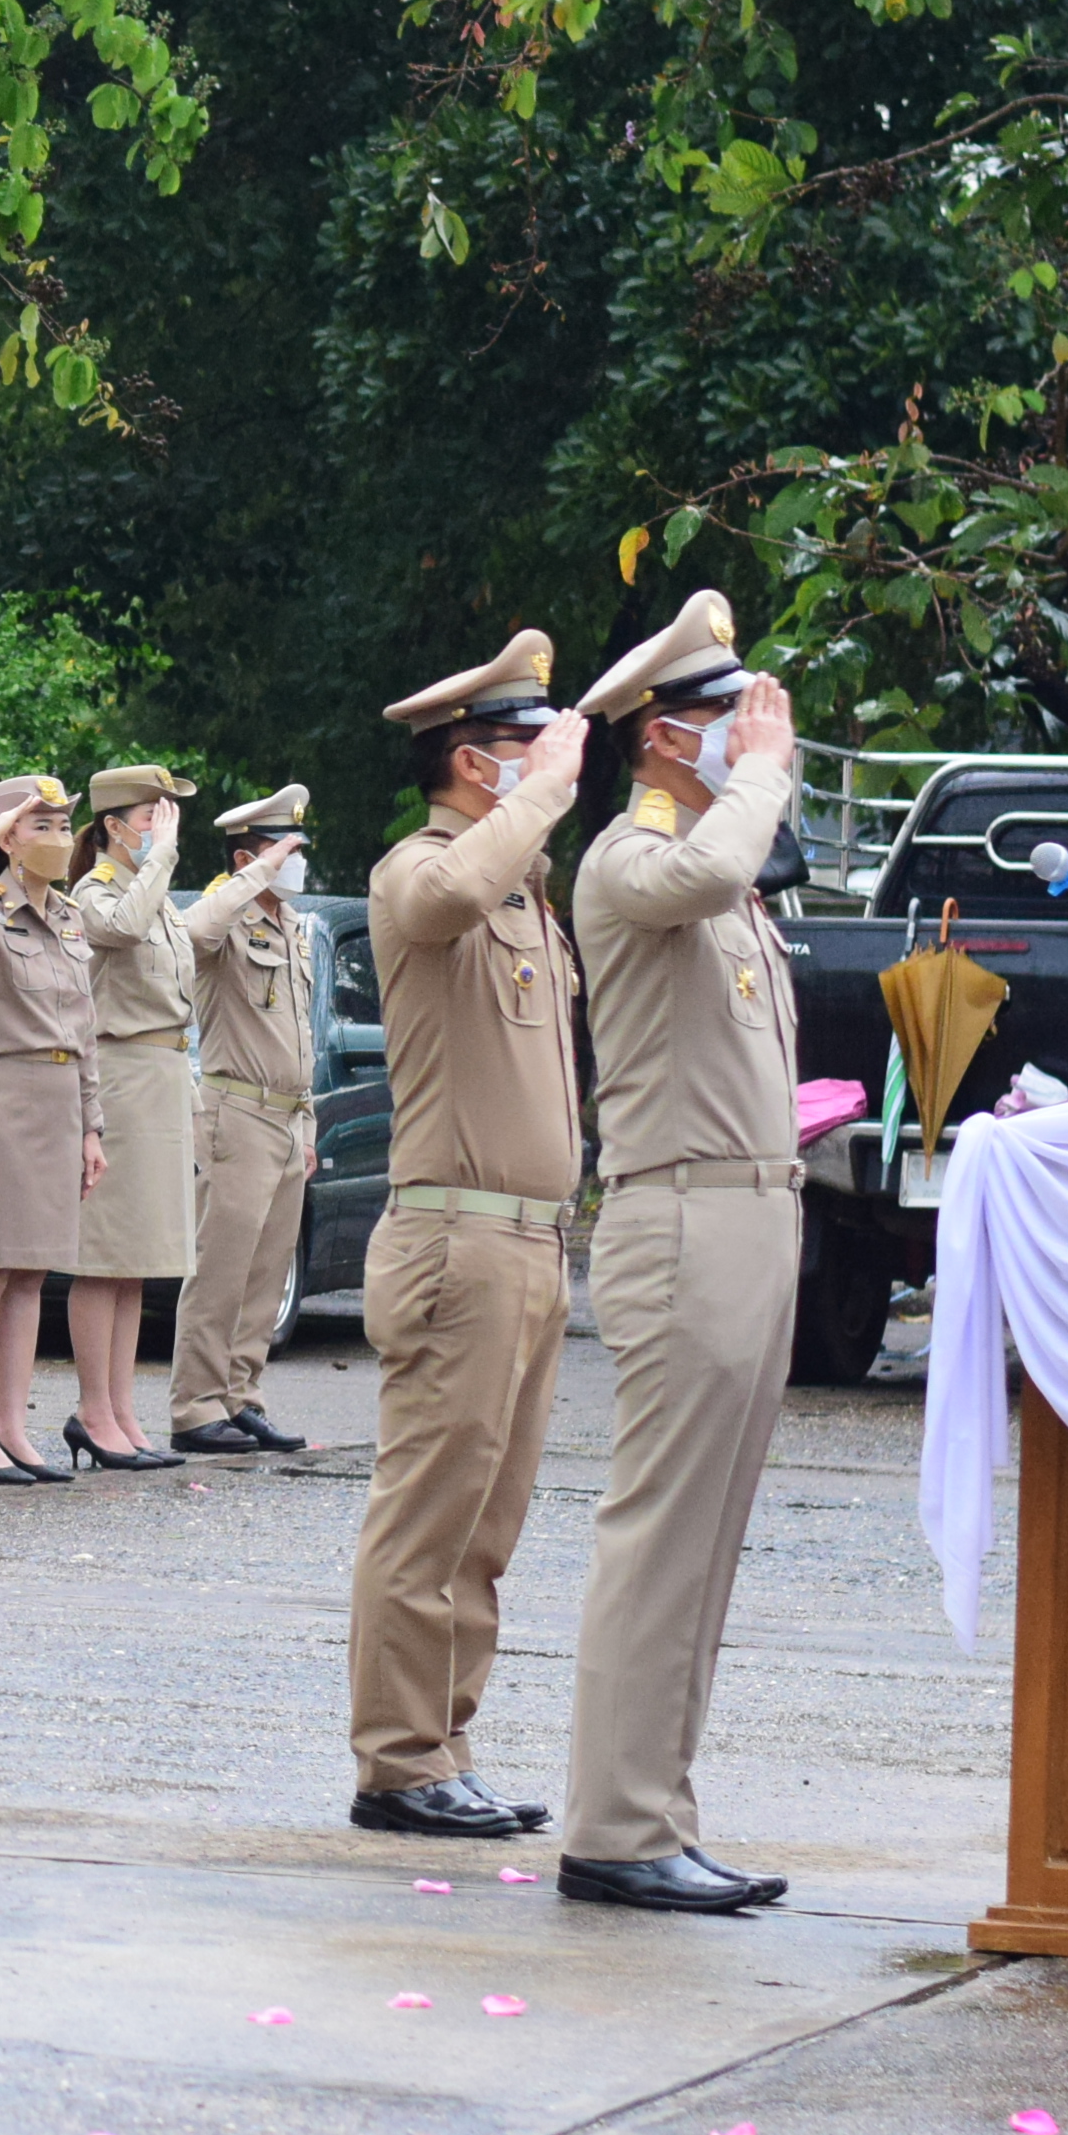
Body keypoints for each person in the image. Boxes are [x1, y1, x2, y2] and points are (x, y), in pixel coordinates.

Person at [558, 594, 804, 1914]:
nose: (755, 735)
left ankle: (659, 1811)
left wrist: (755, 782)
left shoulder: (718, 867)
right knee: (660, 1538)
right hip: (684, 1221)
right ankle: (616, 1825)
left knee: (707, 1545)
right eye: (727, 717)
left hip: (756, 1216)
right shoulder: (628, 859)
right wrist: (756, 778)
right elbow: (714, 869)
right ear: (664, 737)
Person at [347, 627, 589, 1843]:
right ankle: (395, 1760)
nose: (554, 761)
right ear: (473, 763)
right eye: (525, 747)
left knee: (486, 1526)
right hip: (455, 1240)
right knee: (430, 1512)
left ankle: (443, 1744)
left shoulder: (526, 900)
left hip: (531, 1245)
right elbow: (444, 897)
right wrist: (542, 797)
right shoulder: (419, 871)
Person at [0, 775, 105, 1486]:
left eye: (65, 824)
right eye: (41, 825)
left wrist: (91, 1126)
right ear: (7, 834)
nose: (59, 838)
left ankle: (12, 1423)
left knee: (33, 1269)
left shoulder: (70, 917)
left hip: (58, 1098)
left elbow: (87, 1029)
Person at [169, 786, 322, 1456]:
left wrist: (309, 1122)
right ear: (244, 859)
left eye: (297, 850)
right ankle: (196, 1405)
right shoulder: (224, 920)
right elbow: (191, 933)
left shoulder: (293, 926)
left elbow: (299, 1037)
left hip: (288, 1119)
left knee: (266, 1272)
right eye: (282, 851)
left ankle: (241, 1396)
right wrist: (250, 878)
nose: (295, 863)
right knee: (222, 1269)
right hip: (237, 1112)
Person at [66, 765, 202, 1470]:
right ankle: (93, 1409)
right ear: (115, 826)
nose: (163, 828)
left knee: (140, 1261)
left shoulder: (160, 899)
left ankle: (120, 1407)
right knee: (105, 1253)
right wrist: (164, 861)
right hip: (119, 1076)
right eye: (152, 816)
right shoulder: (97, 891)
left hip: (162, 1079)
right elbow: (117, 931)